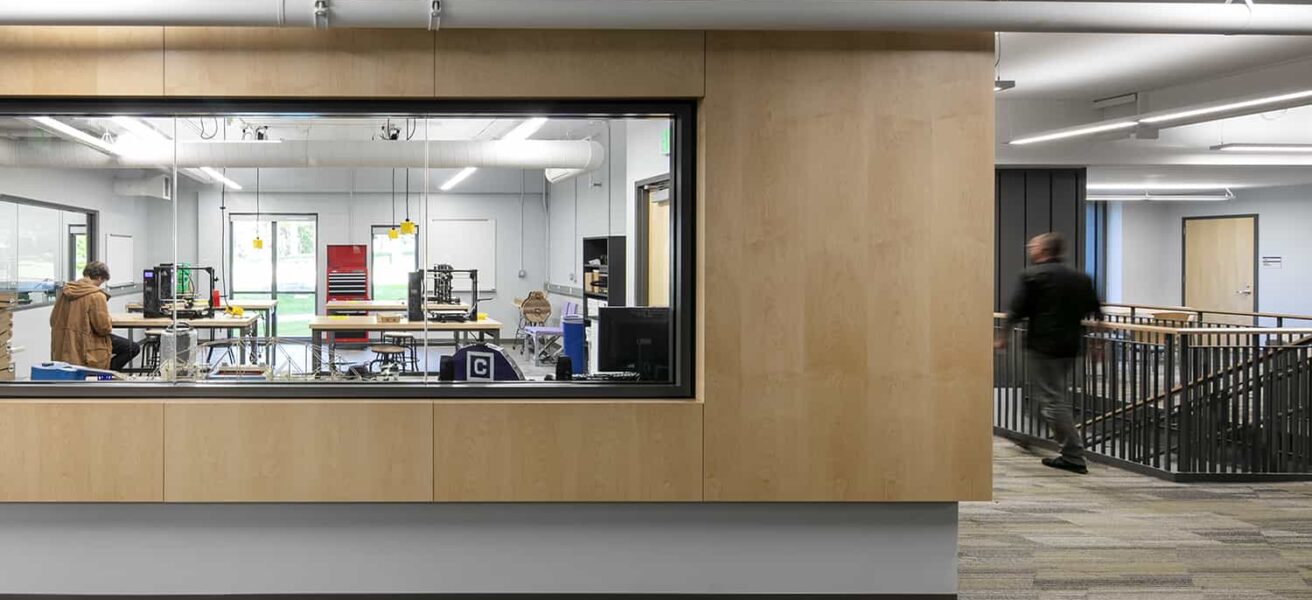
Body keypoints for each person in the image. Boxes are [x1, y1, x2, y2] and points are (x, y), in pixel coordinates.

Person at [996, 233, 1102, 474]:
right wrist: (1097, 345)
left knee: (1053, 400)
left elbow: (1016, 310)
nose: (1029, 249)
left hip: (1043, 346)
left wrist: (1002, 336)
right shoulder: (1080, 278)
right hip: (1071, 346)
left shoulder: (1032, 275)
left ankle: (1073, 455)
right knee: (1050, 394)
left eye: (1033, 246)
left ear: (1044, 250)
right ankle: (1033, 436)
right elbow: (1096, 312)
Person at [50, 261, 140, 372]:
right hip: (86, 346)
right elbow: (103, 328)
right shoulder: (96, 295)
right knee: (132, 348)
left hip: (65, 347)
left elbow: (52, 320)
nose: (100, 284)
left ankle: (105, 375)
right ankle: (106, 374)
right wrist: (108, 319)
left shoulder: (65, 292)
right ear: (99, 277)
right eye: (102, 281)